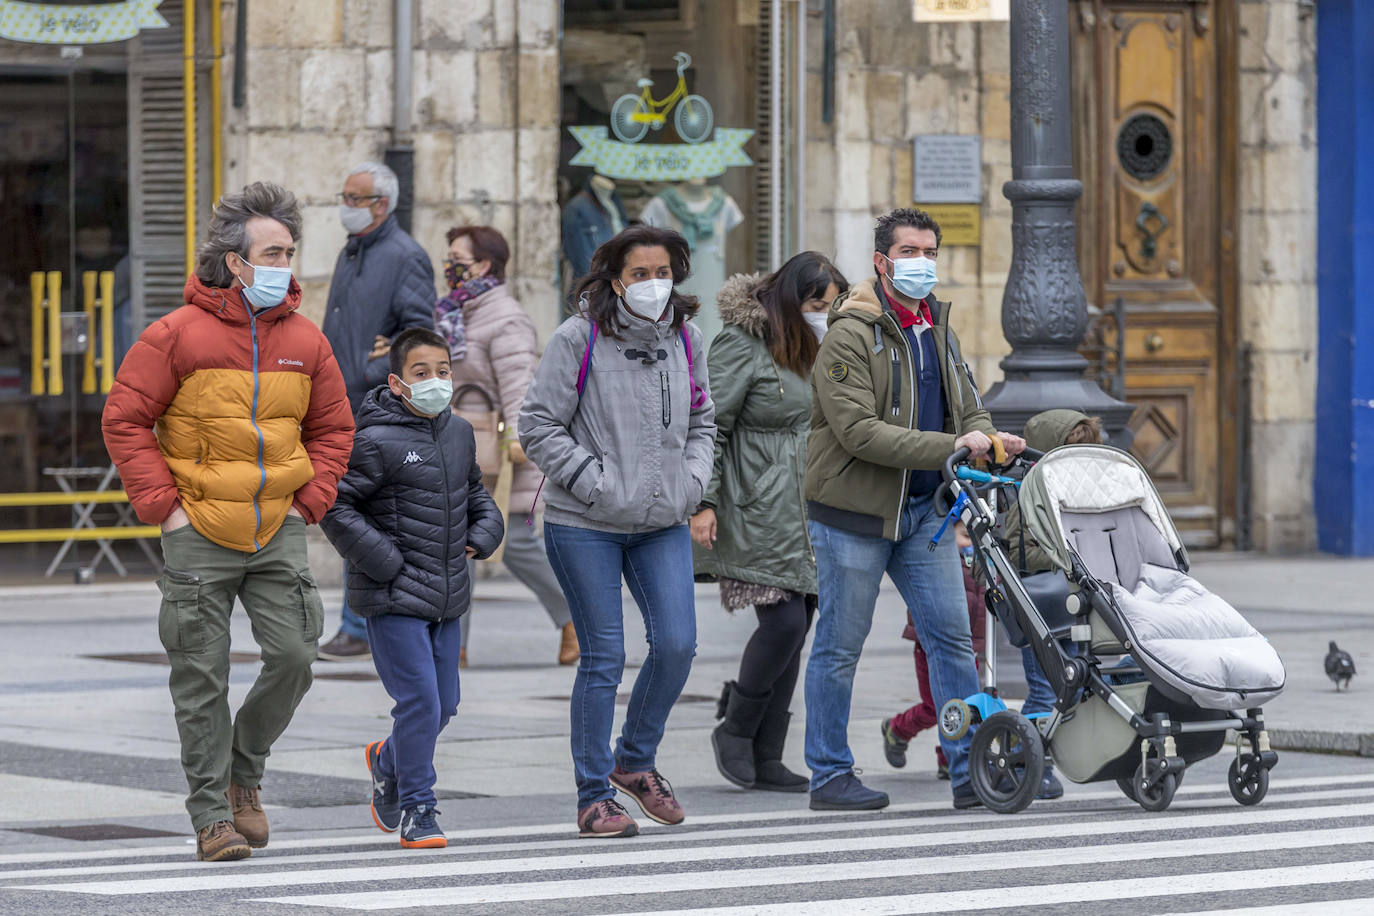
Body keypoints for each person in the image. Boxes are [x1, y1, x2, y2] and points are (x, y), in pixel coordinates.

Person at [101, 182, 354, 862]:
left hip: (278, 527)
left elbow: (334, 428)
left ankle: (246, 769)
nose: (285, 264)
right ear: (235, 262)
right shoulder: (173, 334)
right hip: (199, 530)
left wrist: (309, 503)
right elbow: (125, 420)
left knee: (297, 656)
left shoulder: (307, 340)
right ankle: (213, 817)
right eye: (272, 252)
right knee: (201, 677)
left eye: (290, 252)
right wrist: (166, 508)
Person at [803, 207, 1026, 812]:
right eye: (908, 253)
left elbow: (968, 406)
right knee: (839, 647)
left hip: (925, 513)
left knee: (954, 642)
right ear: (881, 262)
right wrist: (952, 446)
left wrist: (991, 438)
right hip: (854, 514)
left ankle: (966, 771)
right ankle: (828, 773)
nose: (921, 263)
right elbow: (859, 433)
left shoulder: (938, 327)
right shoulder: (851, 333)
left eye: (929, 252)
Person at [519, 225, 715, 839]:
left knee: (678, 644)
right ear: (614, 280)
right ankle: (592, 795)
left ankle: (635, 760)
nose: (653, 285)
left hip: (661, 520)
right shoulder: (577, 338)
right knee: (603, 657)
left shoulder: (687, 338)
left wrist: (692, 483)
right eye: (640, 274)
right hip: (586, 522)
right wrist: (595, 481)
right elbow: (536, 424)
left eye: (663, 273)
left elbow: (705, 418)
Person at [320, 328, 504, 849]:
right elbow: (335, 506)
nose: (436, 382)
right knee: (420, 700)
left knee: (444, 704)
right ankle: (419, 807)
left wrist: (484, 534)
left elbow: (474, 492)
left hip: (448, 594)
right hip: (394, 595)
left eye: (443, 371)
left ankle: (387, 760)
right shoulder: (374, 439)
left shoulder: (459, 433)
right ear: (398, 383)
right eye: (422, 374)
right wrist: (386, 562)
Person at [690, 253, 847, 793]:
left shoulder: (823, 348)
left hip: (810, 507)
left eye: (830, 305)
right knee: (782, 624)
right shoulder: (741, 343)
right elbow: (709, 424)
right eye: (814, 304)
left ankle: (768, 751)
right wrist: (703, 501)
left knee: (798, 627)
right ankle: (735, 730)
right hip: (755, 501)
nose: (823, 314)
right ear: (788, 300)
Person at [435, 224, 578, 667]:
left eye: (457, 258)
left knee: (515, 543)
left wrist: (521, 441)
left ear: (483, 265)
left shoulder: (505, 316)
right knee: (454, 547)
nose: (449, 267)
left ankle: (577, 619)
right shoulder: (453, 312)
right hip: (456, 447)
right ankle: (452, 647)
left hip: (502, 452)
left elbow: (520, 384)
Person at [319, 161, 437, 662]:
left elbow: (418, 337)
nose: (344, 206)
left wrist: (374, 372)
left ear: (381, 205)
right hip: (342, 405)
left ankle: (358, 626)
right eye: (343, 196)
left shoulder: (405, 255)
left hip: (375, 409)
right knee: (354, 514)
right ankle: (362, 625)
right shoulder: (355, 251)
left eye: (354, 198)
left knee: (357, 516)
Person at [880, 523, 986, 781]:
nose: (970, 544)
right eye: (963, 537)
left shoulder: (981, 560)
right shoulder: (937, 556)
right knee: (936, 706)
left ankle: (948, 758)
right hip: (930, 645)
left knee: (961, 703)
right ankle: (898, 729)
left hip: (967, 646)